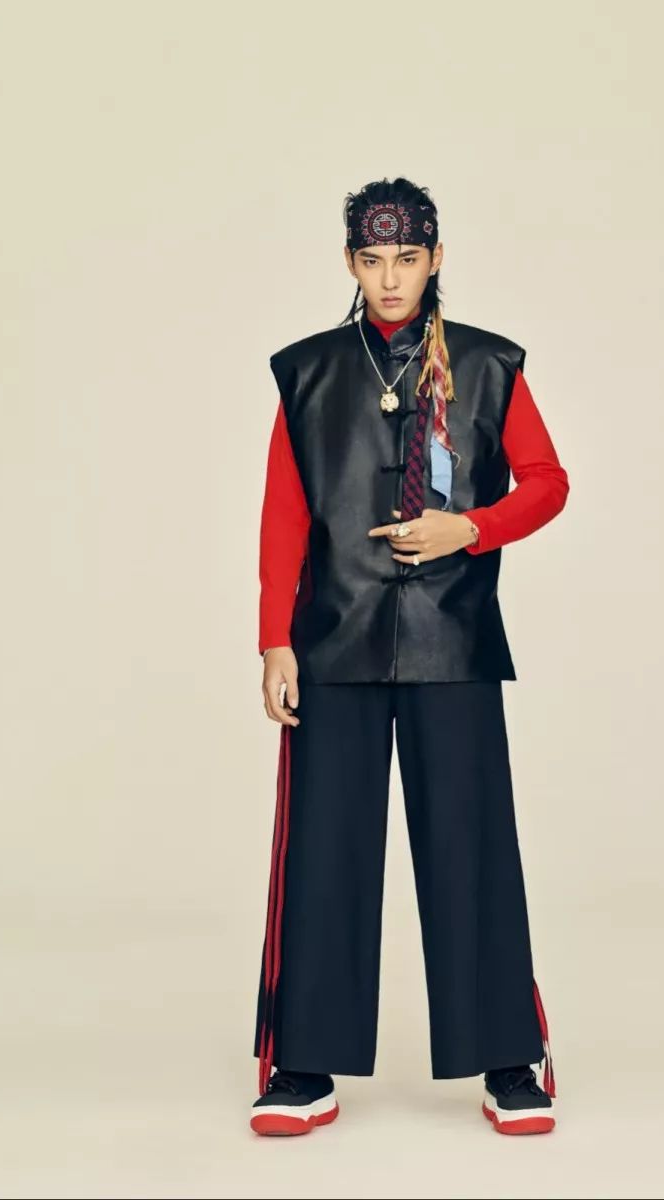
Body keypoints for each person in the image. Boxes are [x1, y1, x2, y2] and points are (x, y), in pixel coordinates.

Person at [249, 177, 570, 1138]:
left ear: (434, 260)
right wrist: (274, 639)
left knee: (473, 849)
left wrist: (469, 527)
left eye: (407, 259)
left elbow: (547, 482)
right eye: (372, 260)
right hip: (334, 642)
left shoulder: (488, 364)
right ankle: (303, 1065)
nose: (390, 278)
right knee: (325, 854)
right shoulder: (308, 372)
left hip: (452, 641)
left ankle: (508, 1057)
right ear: (351, 263)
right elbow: (284, 514)